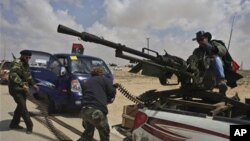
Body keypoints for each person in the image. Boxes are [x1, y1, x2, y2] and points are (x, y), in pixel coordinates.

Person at [77, 67, 117, 141]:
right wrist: (114, 86)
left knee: (87, 134)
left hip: (84, 110)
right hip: (96, 111)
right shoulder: (104, 80)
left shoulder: (87, 81)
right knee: (104, 133)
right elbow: (111, 93)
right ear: (102, 74)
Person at [8, 50, 39, 134]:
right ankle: (30, 126)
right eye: (27, 57)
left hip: (23, 89)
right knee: (23, 107)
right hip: (15, 89)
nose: (28, 59)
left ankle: (14, 124)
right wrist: (22, 84)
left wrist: (34, 84)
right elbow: (13, 75)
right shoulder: (16, 62)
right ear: (22, 55)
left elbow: (28, 76)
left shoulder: (26, 64)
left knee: (20, 106)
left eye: (29, 57)